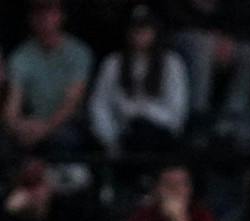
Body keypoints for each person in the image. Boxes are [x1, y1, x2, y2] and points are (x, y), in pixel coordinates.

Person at [87, 5, 191, 154]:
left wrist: (145, 115)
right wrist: (110, 139)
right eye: (135, 29)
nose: (139, 34)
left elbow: (177, 110)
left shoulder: (171, 63)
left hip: (160, 135)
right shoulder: (113, 62)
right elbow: (99, 104)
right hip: (123, 135)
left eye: (145, 29)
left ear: (155, 31)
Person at [4, 0, 94, 156]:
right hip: (33, 122)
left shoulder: (79, 52)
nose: (44, 19)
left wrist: (45, 129)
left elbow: (71, 104)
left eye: (50, 12)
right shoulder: (21, 56)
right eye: (39, 13)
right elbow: (13, 103)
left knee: (65, 138)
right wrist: (16, 125)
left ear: (61, 16)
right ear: (31, 19)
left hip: (67, 124)